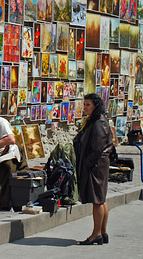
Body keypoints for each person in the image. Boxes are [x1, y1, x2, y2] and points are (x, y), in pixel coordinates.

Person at [74, 93, 113, 245]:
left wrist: (88, 163)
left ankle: (96, 234)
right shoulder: (95, 120)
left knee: (97, 200)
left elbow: (97, 148)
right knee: (101, 199)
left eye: (88, 105)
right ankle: (102, 233)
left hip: (96, 166)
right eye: (84, 105)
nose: (85, 108)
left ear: (95, 105)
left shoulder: (99, 123)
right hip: (98, 165)